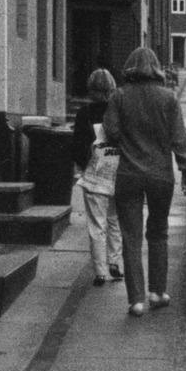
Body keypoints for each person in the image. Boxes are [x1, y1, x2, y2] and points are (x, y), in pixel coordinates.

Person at [104, 46, 186, 317]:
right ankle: (157, 292)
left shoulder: (119, 96)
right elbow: (179, 138)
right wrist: (185, 169)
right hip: (160, 175)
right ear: (156, 68)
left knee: (130, 237)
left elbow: (111, 132)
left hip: (128, 174)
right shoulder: (169, 98)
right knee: (158, 232)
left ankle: (136, 300)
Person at [71, 68, 123, 287]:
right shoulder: (119, 111)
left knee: (96, 224)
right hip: (117, 173)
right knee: (115, 220)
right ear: (111, 87)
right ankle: (115, 262)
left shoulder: (84, 114)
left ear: (90, 89)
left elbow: (78, 146)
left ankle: (100, 271)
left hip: (94, 175)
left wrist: (85, 167)